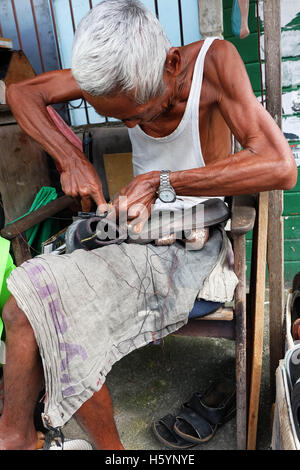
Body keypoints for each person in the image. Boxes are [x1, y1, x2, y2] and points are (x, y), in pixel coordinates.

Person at [0, 0, 296, 450]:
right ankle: (16, 436)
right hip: (132, 234)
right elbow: (21, 93)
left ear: (171, 63)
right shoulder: (117, 69)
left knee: (56, 309)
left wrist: (163, 181)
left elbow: (279, 165)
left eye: (141, 114)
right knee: (22, 304)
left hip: (194, 243)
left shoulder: (214, 64)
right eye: (122, 120)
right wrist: (71, 158)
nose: (135, 126)